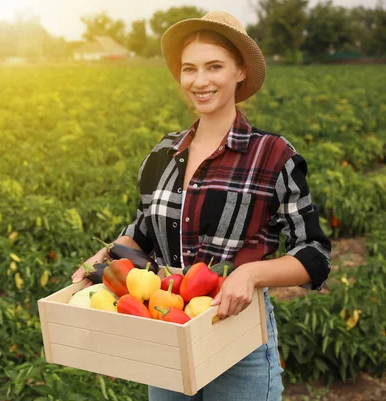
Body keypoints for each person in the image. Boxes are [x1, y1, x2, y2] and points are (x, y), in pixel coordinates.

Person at [71, 10, 331, 401]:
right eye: (189, 69)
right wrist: (108, 257)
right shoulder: (163, 151)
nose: (200, 80)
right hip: (166, 330)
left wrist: (251, 274)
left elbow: (314, 254)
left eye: (214, 66)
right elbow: (142, 231)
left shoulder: (272, 155)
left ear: (239, 71)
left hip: (237, 338)